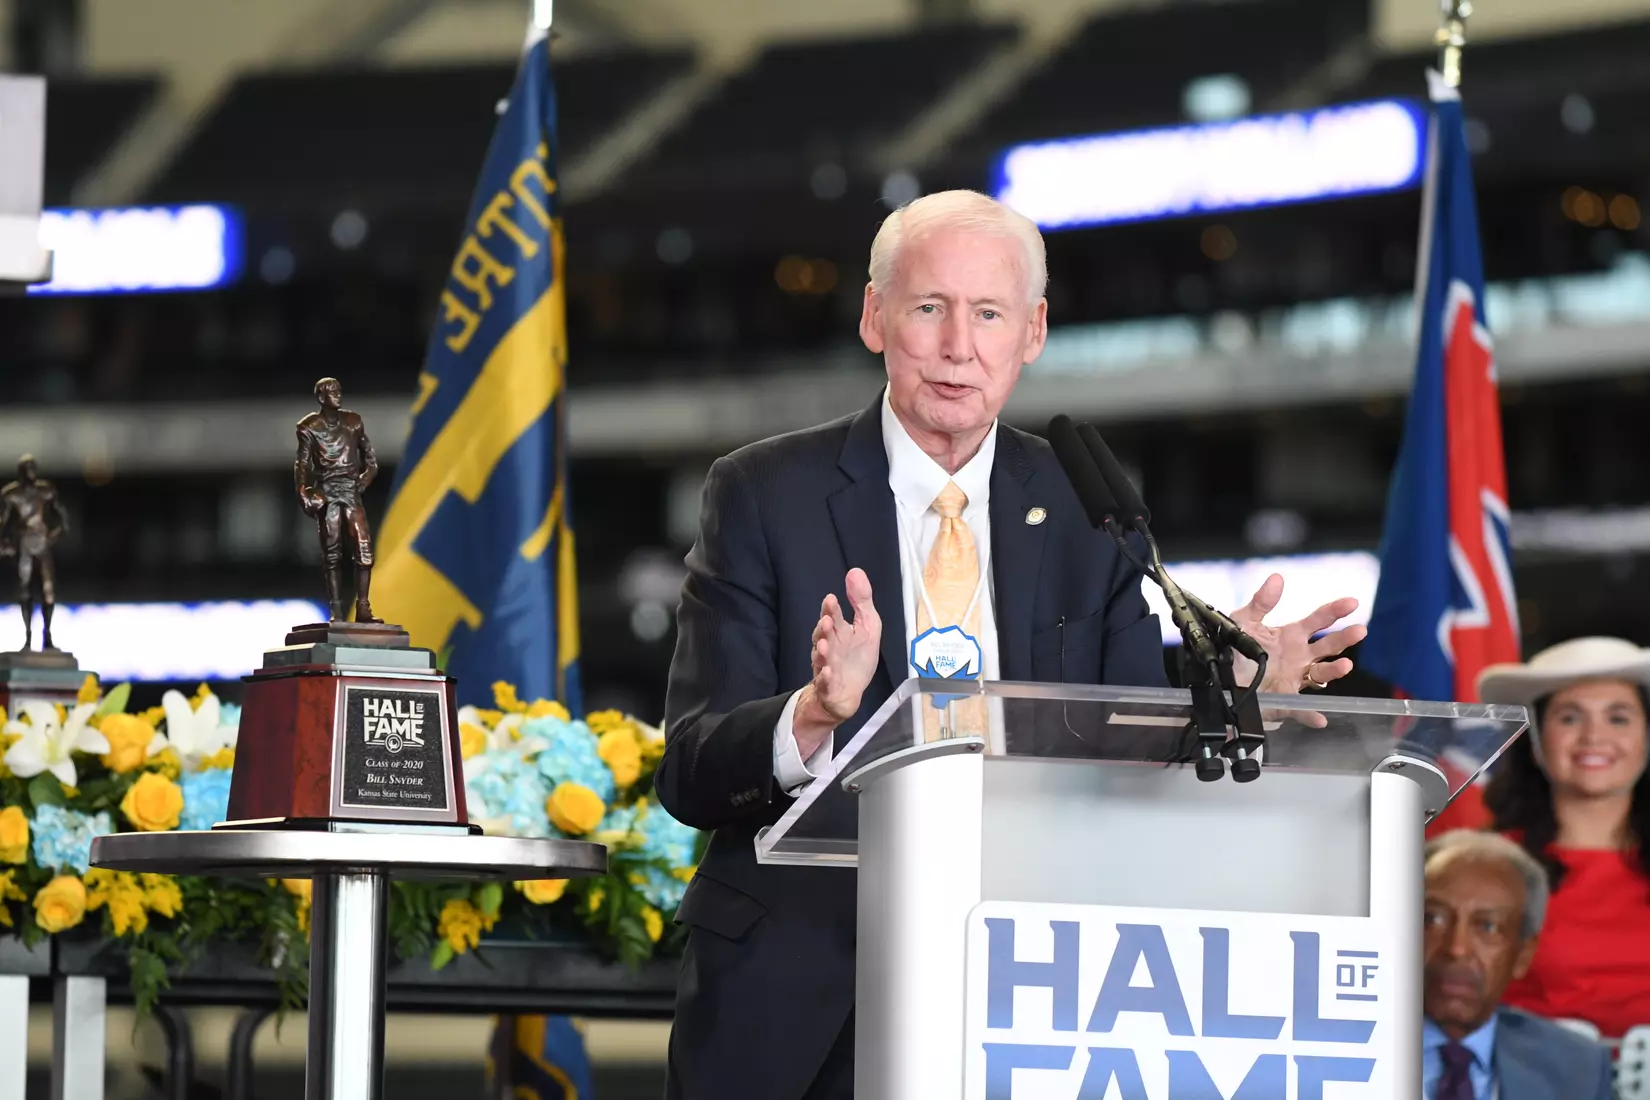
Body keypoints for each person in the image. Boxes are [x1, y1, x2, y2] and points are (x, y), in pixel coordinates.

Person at [654, 190, 1367, 1100]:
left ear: (1031, 332)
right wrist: (814, 715)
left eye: (988, 313)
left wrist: (1226, 680)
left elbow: (1121, 737)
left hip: (1029, 993)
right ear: (877, 317)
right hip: (805, 993)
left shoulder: (1088, 505)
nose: (959, 346)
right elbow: (689, 767)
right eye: (928, 308)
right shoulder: (761, 493)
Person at [1478, 635, 1650, 1039]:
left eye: (1618, 717)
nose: (1594, 736)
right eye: (1570, 718)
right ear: (1537, 742)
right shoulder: (1490, 866)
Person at [1422, 830, 1613, 1099]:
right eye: (1433, 919)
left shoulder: (1578, 1069)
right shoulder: (1348, 1045)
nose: (1457, 949)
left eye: (1488, 926)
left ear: (1523, 954)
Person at [295, 377, 381, 623]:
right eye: (331, 391)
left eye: (338, 390)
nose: (337, 394)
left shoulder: (353, 422)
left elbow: (370, 456)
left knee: (364, 549)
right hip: (327, 490)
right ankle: (337, 610)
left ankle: (363, 607)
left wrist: (366, 478)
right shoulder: (309, 427)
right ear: (321, 397)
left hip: (350, 489)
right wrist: (303, 491)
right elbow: (302, 462)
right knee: (332, 552)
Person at [0, 454, 68, 651]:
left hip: (41, 543)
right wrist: (5, 542)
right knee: (25, 590)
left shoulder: (45, 491)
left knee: (48, 592)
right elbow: (4, 522)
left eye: (32, 469)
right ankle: (28, 637)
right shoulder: (11, 494)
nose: (30, 473)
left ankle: (47, 635)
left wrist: (54, 533)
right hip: (23, 543)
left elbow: (60, 516)